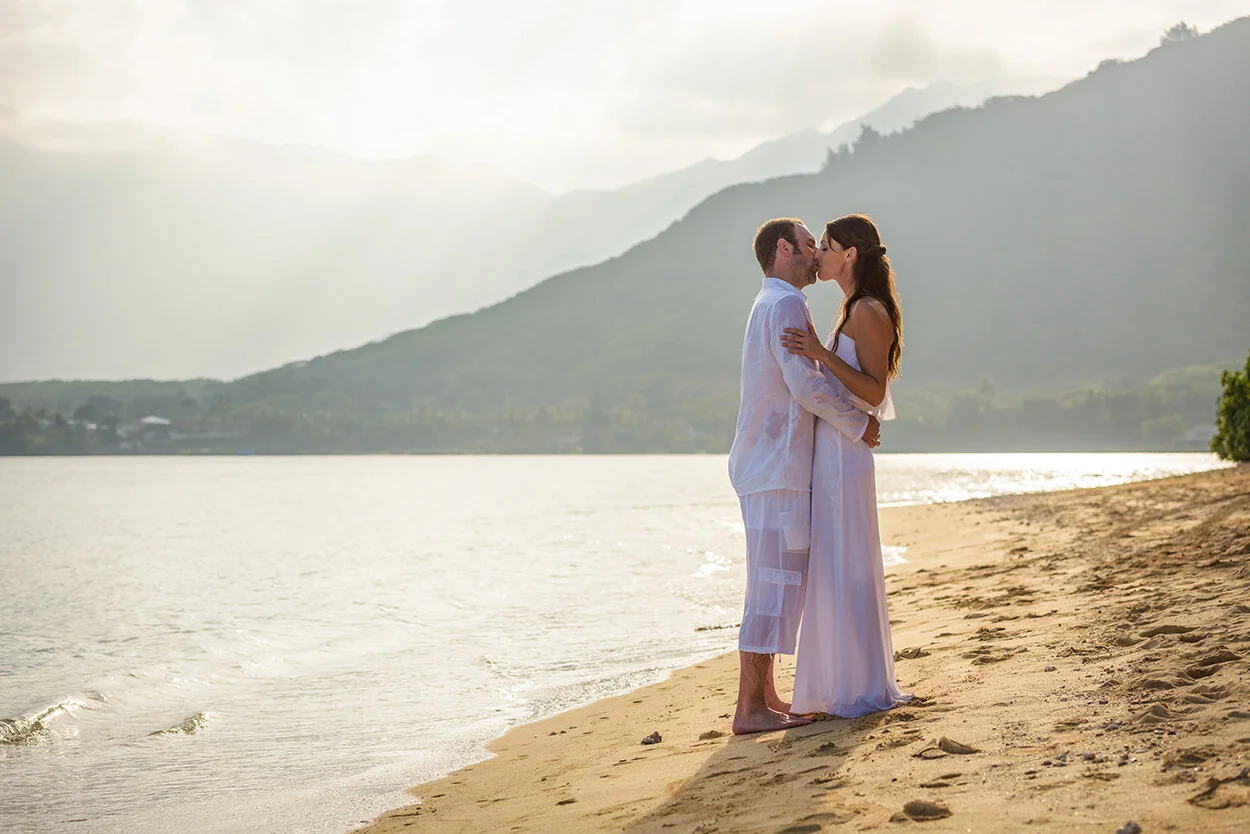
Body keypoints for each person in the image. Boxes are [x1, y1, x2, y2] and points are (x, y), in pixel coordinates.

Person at [728, 217, 881, 735]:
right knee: (771, 586)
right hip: (777, 466)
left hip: (766, 464)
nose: (816, 252)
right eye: (809, 243)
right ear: (782, 249)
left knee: (772, 582)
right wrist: (859, 423)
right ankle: (750, 708)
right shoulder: (787, 304)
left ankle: (765, 697)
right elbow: (805, 387)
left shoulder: (768, 301)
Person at [780, 214, 912, 718]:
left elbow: (874, 392)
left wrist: (819, 354)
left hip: (845, 457)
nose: (820, 255)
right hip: (832, 453)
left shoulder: (868, 311)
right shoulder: (851, 308)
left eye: (828, 246)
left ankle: (856, 685)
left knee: (847, 566)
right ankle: (838, 683)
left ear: (850, 255)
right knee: (834, 568)